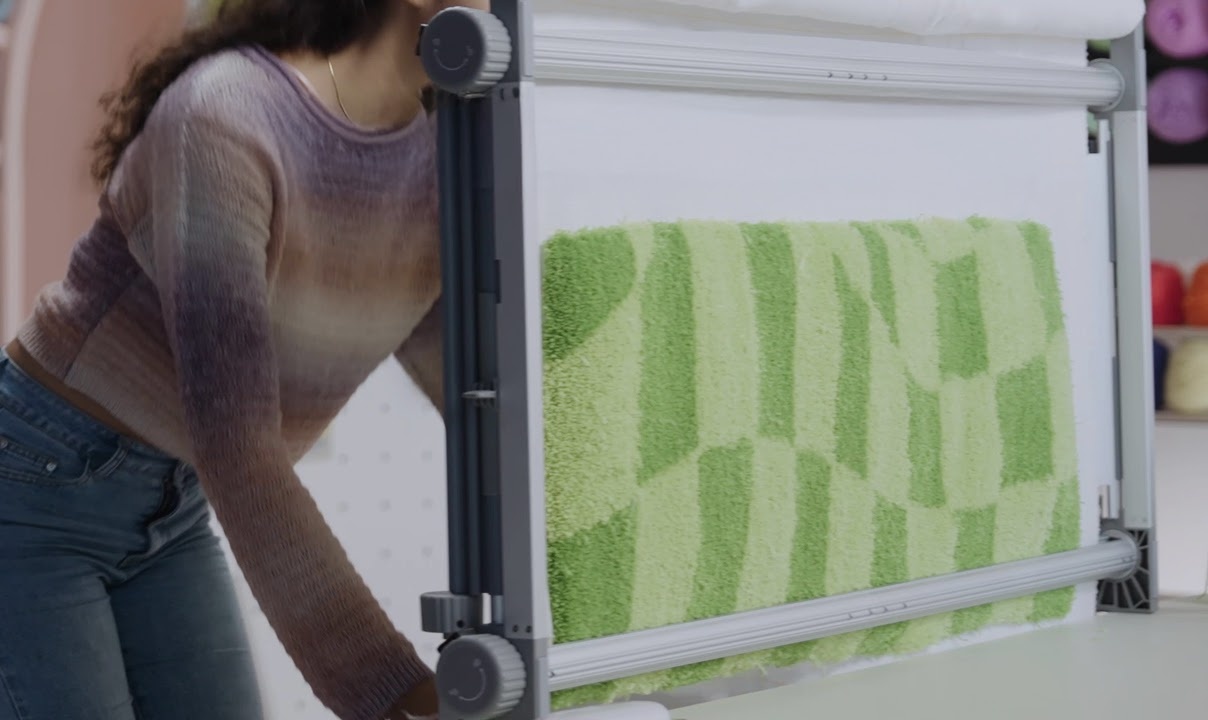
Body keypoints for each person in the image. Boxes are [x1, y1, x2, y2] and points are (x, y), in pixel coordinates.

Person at [0, 1, 480, 718]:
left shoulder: (438, 156)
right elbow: (240, 451)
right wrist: (395, 693)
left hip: (174, 502)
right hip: (37, 485)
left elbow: (478, 395)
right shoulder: (226, 117)